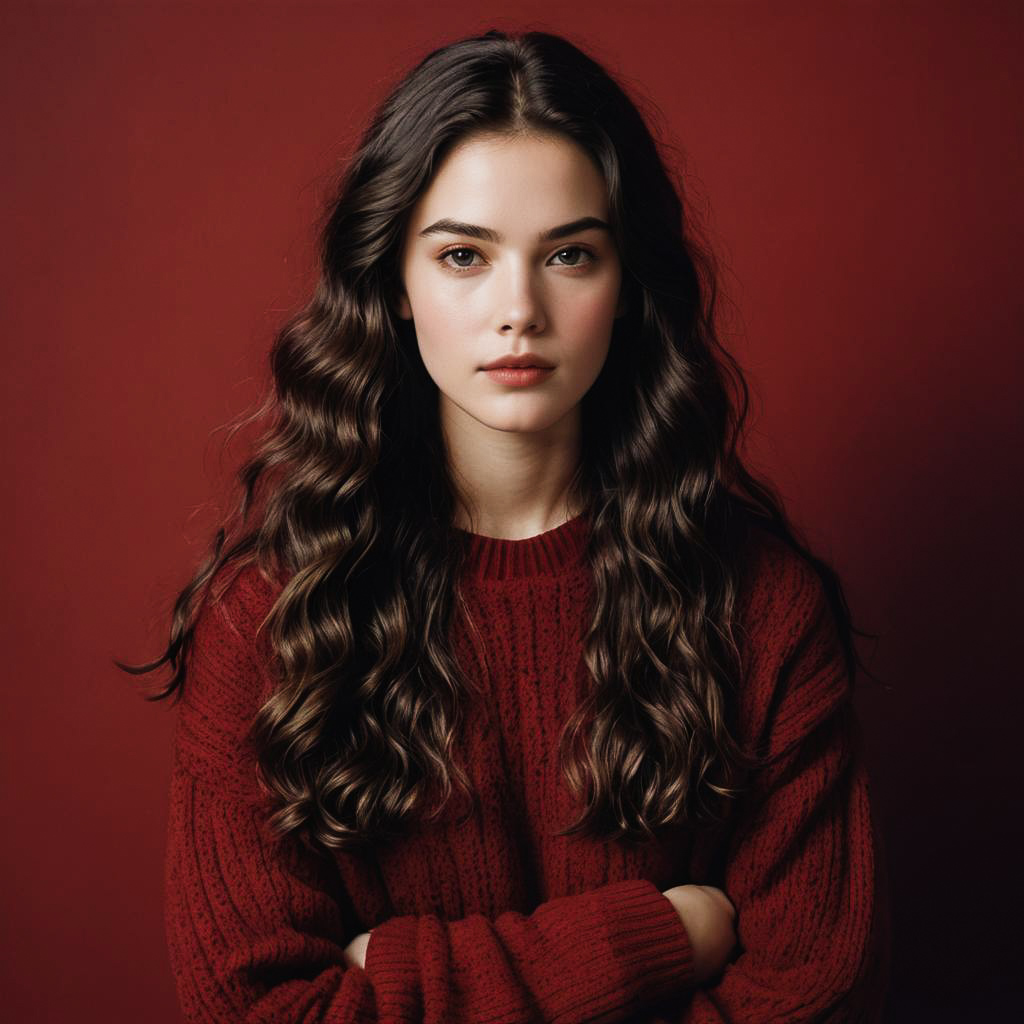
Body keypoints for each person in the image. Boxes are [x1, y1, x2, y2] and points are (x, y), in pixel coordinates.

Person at [121, 27, 890, 1023]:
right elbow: (260, 1010)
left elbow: (813, 991)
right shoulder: (268, 621)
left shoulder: (762, 606)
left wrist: (384, 972)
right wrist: (666, 934)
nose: (516, 308)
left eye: (569, 253)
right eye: (462, 256)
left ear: (627, 288)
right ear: (395, 282)